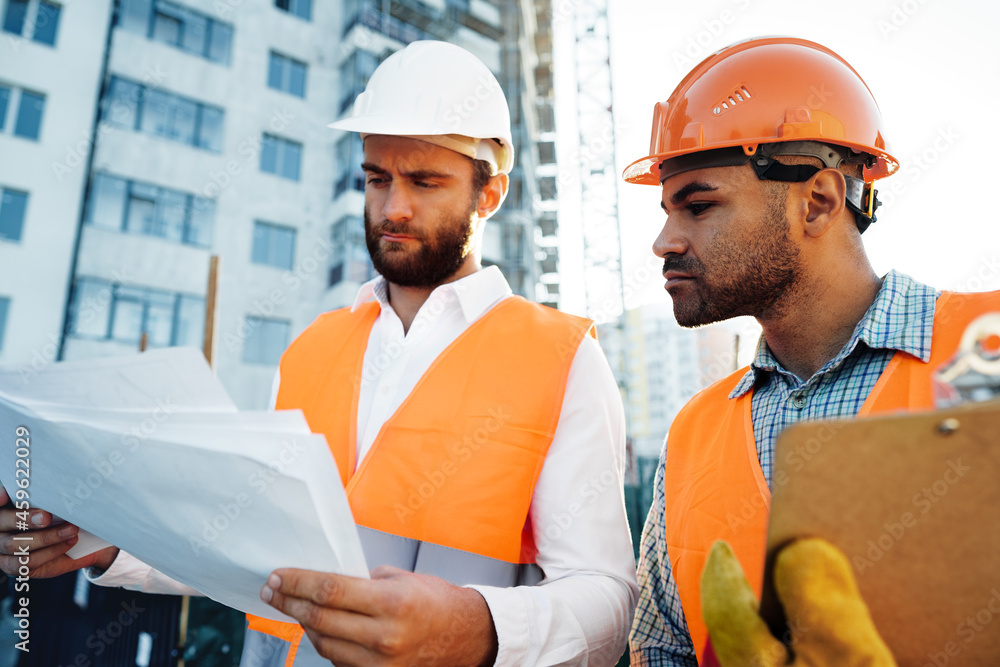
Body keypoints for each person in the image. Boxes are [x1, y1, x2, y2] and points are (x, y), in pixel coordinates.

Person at [0, 41, 638, 665]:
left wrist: (477, 630)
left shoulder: (561, 357)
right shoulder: (313, 349)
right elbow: (243, 549)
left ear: (489, 194)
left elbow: (608, 602)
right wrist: (92, 540)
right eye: (377, 178)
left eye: (425, 181)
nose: (394, 208)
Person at [620, 36, 1000, 665]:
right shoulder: (693, 433)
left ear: (817, 201)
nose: (664, 241)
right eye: (666, 210)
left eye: (698, 205)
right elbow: (662, 648)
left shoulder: (985, 344)